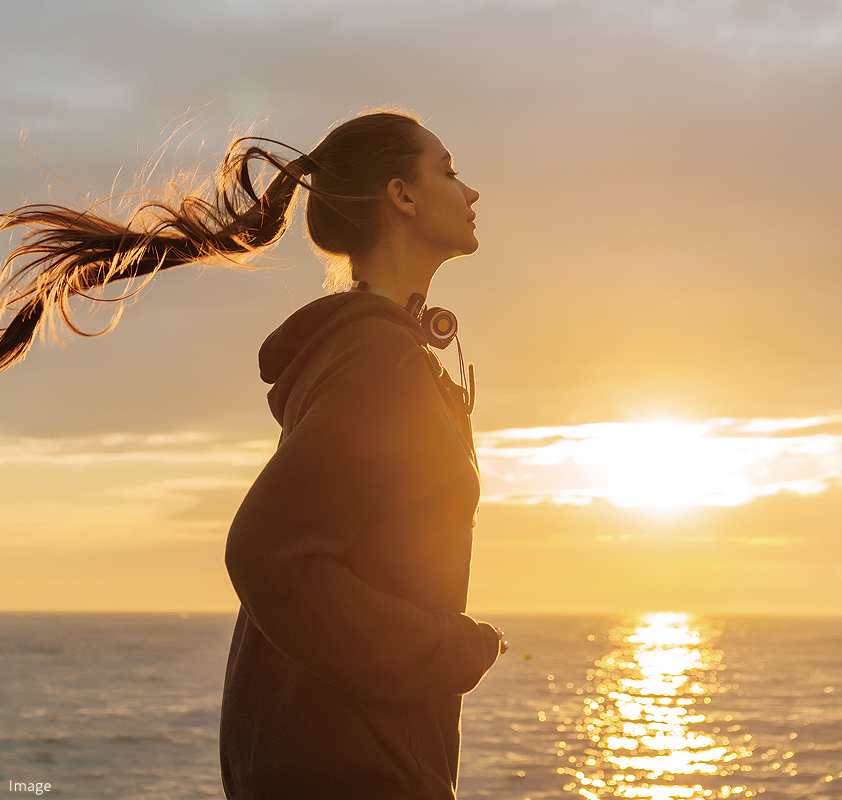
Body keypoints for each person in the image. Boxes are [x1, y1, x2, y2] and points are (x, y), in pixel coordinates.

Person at [0, 110, 507, 799]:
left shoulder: (372, 352)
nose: (469, 191)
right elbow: (268, 554)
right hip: (355, 772)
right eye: (448, 170)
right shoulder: (378, 360)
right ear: (402, 196)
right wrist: (451, 648)